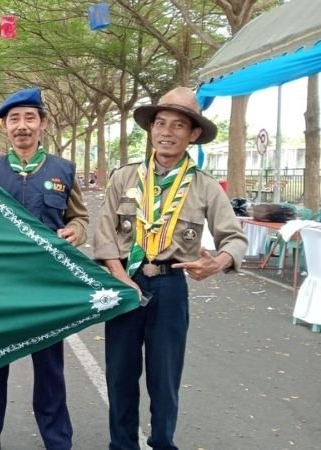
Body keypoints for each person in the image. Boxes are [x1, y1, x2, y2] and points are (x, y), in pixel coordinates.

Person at [92, 86, 247, 450]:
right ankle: (122, 445)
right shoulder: (125, 177)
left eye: (178, 125)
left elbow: (235, 238)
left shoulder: (205, 186)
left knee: (165, 379)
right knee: (120, 376)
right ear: (151, 129)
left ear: (193, 134)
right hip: (125, 282)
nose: (166, 132)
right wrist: (119, 276)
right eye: (160, 123)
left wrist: (218, 262)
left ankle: (163, 443)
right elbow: (105, 235)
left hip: (171, 287)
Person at [0, 87, 89, 450]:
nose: (22, 126)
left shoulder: (63, 170)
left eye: (29, 118)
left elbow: (79, 217)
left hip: (47, 287)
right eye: (14, 119)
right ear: (4, 127)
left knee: (50, 368)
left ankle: (58, 440)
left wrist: (76, 231)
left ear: (43, 124)